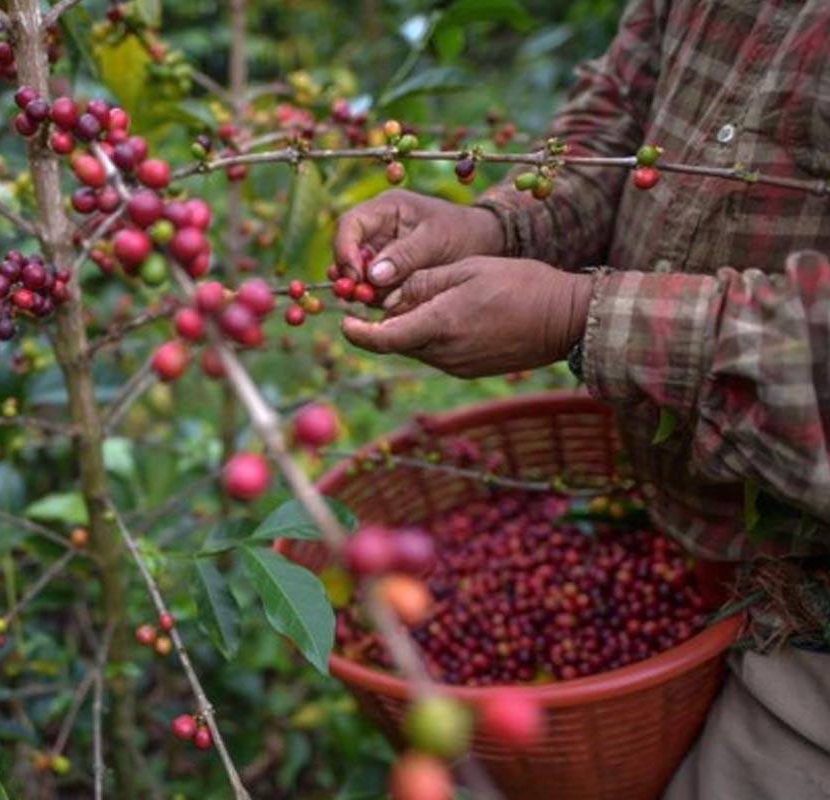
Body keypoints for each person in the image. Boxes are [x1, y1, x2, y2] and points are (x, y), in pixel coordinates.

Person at [334, 1, 830, 797]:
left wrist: (577, 314)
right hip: (669, 517)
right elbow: (618, 116)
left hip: (810, 625)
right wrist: (501, 227)